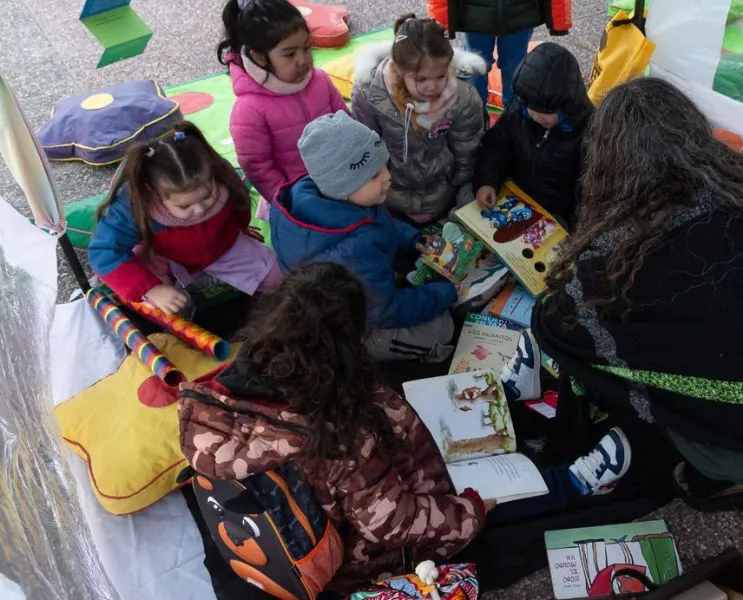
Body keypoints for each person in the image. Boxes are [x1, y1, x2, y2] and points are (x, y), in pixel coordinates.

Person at [522, 78, 743, 513]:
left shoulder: (622, 249)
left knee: (613, 365)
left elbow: (555, 325)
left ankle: (724, 481)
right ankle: (738, 472)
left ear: (608, 164)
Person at [178, 262, 635, 591]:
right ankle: (575, 484)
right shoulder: (340, 438)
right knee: (488, 491)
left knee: (430, 410)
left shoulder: (230, 383)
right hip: (368, 555)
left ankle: (503, 399)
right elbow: (392, 524)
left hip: (327, 507)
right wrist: (470, 511)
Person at [270, 112, 455, 362]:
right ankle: (363, 354)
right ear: (342, 189)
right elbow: (384, 311)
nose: (387, 176)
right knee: (442, 329)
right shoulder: (355, 247)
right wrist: (444, 293)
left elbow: (379, 222)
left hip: (365, 291)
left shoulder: (334, 196)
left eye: (384, 166)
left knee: (418, 274)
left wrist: (412, 239)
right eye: (373, 175)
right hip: (353, 328)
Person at [89, 122, 281, 314]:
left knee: (278, 278)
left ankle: (208, 281)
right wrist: (151, 288)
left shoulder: (223, 175)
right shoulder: (133, 204)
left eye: (207, 197)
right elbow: (104, 252)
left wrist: (240, 229)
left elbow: (240, 205)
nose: (199, 210)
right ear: (152, 193)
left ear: (213, 175)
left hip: (221, 246)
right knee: (161, 308)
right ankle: (179, 323)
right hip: (164, 259)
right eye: (184, 206)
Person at [218, 0, 350, 219]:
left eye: (306, 47)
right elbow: (258, 167)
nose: (303, 60)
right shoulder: (249, 109)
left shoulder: (320, 80)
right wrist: (291, 201)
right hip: (296, 199)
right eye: (290, 54)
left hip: (341, 180)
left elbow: (346, 123)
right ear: (258, 57)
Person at [352, 14, 485, 224]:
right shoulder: (371, 94)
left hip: (442, 190)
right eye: (421, 79)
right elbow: (364, 145)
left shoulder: (462, 97)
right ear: (399, 69)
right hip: (391, 192)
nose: (432, 86)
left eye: (441, 76)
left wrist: (460, 179)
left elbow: (467, 145)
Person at [473, 43, 593, 227]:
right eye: (531, 109)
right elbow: (496, 146)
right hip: (516, 198)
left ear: (566, 105)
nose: (536, 116)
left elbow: (591, 189)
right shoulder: (519, 112)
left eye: (544, 113)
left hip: (558, 215)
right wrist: (486, 181)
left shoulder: (588, 132)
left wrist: (574, 222)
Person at [426, 0, 572, 109]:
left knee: (514, 70)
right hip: (478, 16)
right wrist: (441, 24)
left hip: (516, 14)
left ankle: (513, 119)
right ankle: (477, 117)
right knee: (476, 70)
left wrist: (559, 19)